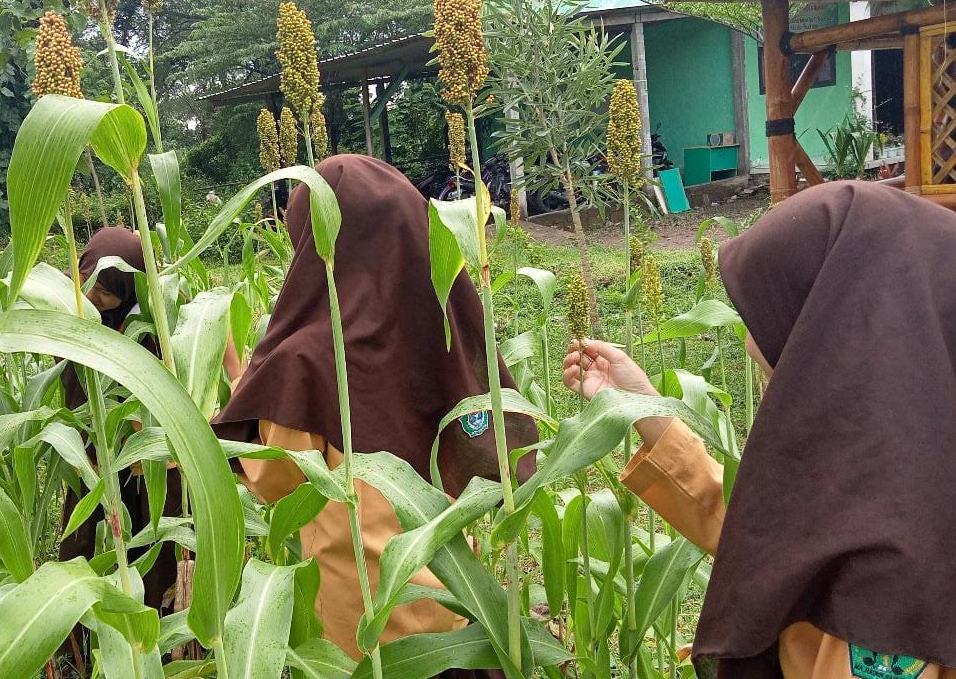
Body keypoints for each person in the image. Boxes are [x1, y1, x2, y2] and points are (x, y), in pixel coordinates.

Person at [561, 181, 956, 679]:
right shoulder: (902, 468)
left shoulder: (886, 582)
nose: (749, 334)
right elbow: (777, 539)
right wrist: (644, 408)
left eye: (784, 376)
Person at [213, 154, 539, 658]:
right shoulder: (441, 329)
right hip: (456, 613)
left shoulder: (307, 358)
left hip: (363, 629)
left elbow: (275, 480)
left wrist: (241, 380)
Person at [59, 227, 180, 608]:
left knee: (150, 531)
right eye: (89, 284)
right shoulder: (73, 299)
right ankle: (78, 629)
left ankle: (153, 623)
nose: (93, 297)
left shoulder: (154, 315)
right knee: (87, 532)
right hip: (92, 441)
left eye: (106, 293)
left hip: (145, 445)